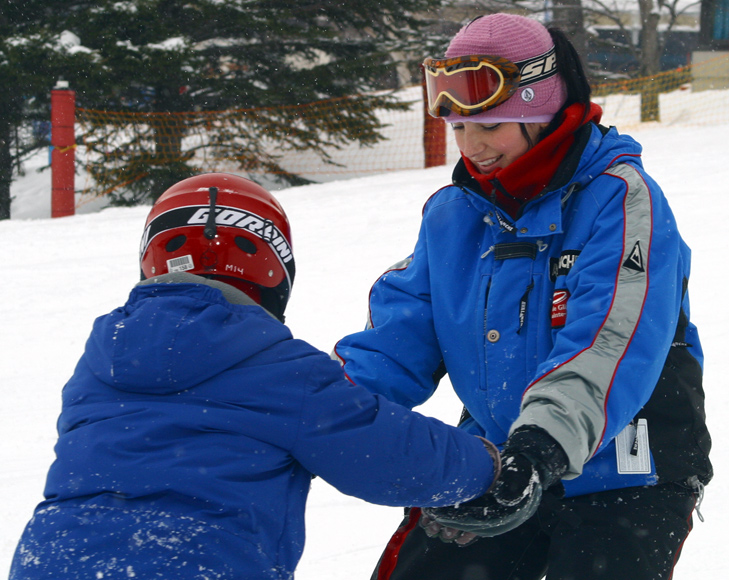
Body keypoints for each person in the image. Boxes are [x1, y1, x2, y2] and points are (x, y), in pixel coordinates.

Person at [333, 13, 712, 580]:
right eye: (460, 129)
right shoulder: (455, 215)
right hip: (501, 461)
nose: (473, 147)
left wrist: (537, 449)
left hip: (628, 473)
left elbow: (609, 339)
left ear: (541, 112)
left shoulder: (621, 201)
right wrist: (322, 410)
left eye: (491, 126)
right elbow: (399, 337)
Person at [9, 173, 502, 580]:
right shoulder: (281, 371)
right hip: (200, 565)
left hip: (54, 562)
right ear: (274, 273)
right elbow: (388, 454)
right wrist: (483, 467)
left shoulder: (102, 360)